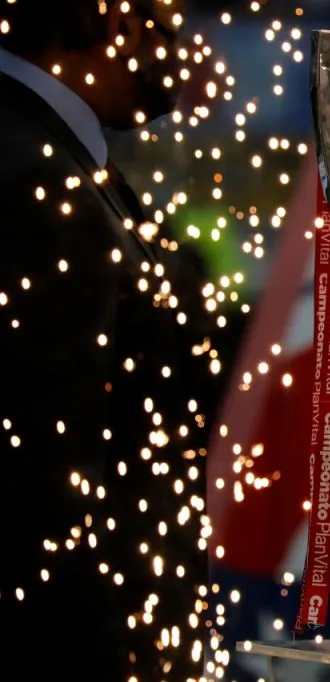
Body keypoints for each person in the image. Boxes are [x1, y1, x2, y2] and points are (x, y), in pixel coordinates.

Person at [0, 1, 218, 678]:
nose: (184, 50)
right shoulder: (36, 175)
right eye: (171, 24)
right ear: (116, 23)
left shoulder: (47, 151)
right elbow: (55, 474)